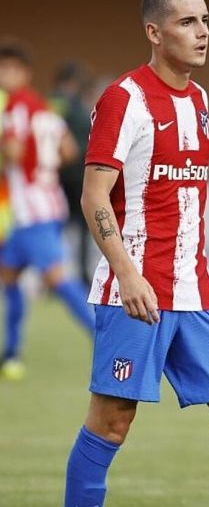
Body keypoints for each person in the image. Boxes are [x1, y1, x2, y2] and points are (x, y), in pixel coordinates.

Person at [64, 0, 209, 507]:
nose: (203, 32)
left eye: (206, 20)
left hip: (194, 293)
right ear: (154, 31)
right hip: (136, 293)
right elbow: (93, 195)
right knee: (111, 424)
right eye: (188, 22)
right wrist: (126, 273)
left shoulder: (202, 100)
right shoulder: (124, 99)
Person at [0, 42, 95, 380]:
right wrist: (45, 167)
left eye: (11, 69)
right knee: (8, 276)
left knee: (57, 279)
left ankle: (104, 337)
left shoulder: (15, 109)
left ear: (25, 73)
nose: (5, 75)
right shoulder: (43, 108)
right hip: (45, 204)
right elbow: (68, 149)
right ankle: (10, 353)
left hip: (32, 212)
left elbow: (11, 153)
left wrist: (18, 162)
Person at [50, 61, 95, 286]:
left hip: (66, 173)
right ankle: (70, 273)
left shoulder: (63, 103)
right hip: (74, 173)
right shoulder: (68, 104)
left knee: (66, 224)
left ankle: (61, 273)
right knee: (78, 224)